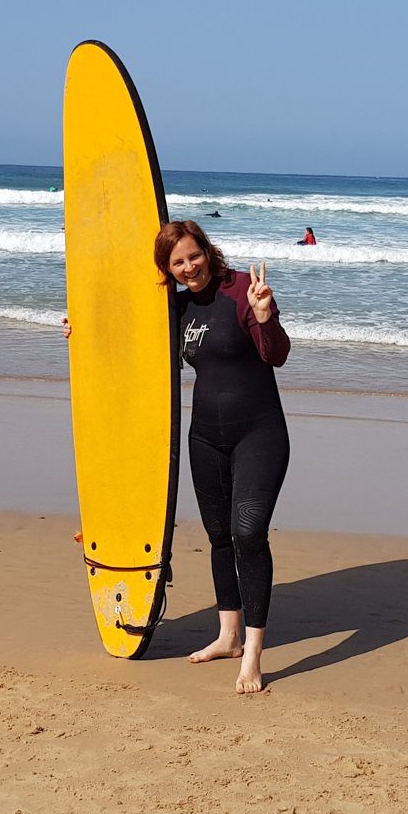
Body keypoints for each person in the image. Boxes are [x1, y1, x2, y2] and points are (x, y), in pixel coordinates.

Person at [158, 221, 291, 693]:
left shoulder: (242, 291)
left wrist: (265, 315)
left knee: (248, 534)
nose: (188, 267)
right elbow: (131, 346)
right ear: (168, 269)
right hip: (205, 438)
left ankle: (253, 652)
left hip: (259, 433)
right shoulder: (177, 308)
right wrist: (79, 333)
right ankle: (228, 637)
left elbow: (276, 355)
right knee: (219, 537)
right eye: (177, 262)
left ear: (206, 251)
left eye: (193, 256)